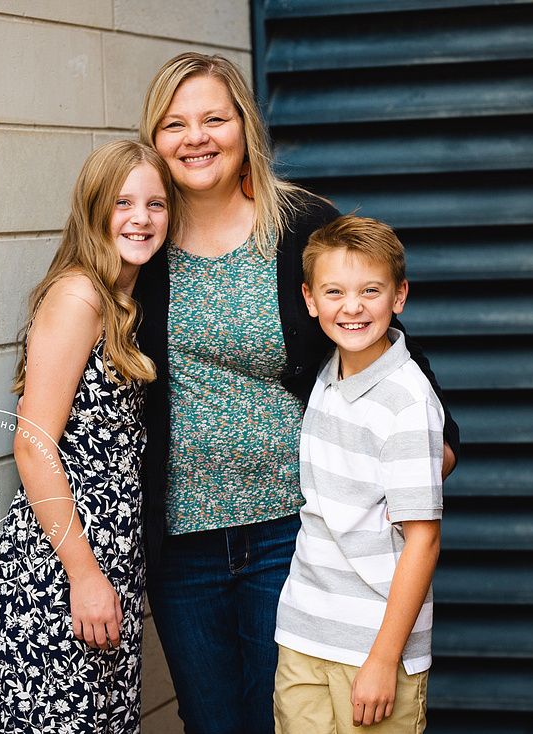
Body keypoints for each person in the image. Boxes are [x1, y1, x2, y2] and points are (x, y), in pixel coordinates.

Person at [132, 53, 459, 733]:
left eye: (214, 119)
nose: (196, 137)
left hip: (294, 533)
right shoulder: (143, 235)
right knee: (212, 721)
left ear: (243, 124)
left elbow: (391, 347)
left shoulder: (300, 223)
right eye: (175, 123)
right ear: (155, 138)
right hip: (184, 542)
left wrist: (414, 465)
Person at [0, 139, 179, 734]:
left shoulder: (126, 300)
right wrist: (84, 573)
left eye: (156, 203)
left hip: (111, 558)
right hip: (64, 561)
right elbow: (32, 444)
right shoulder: (78, 297)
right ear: (95, 210)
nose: (142, 218)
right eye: (123, 202)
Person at [273, 215, 443, 734]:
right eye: (335, 291)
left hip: (373, 647)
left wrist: (383, 660)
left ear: (399, 296)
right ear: (309, 299)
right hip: (304, 635)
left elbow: (424, 540)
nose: (352, 306)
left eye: (371, 290)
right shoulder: (330, 370)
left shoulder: (408, 402)